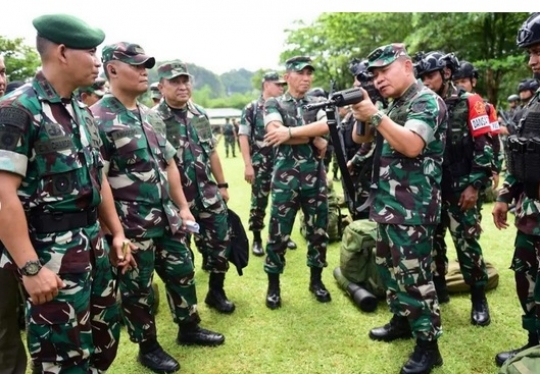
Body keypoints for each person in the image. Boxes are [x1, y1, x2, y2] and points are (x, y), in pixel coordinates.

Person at [266, 43, 447, 374]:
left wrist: (375, 114)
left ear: (407, 66)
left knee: (415, 276)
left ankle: (428, 346)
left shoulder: (426, 101)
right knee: (390, 270)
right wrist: (367, 114)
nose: (378, 80)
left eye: (385, 71)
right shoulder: (394, 104)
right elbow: (362, 140)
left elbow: (411, 144)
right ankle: (401, 321)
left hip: (413, 208)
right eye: (374, 74)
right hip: (389, 204)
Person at [0, 14, 133, 374]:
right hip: (50, 257)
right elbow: (2, 195)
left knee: (102, 343)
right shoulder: (18, 109)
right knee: (61, 359)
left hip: (92, 246)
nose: (96, 61)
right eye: (90, 51)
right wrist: (30, 268)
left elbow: (98, 177)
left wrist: (116, 232)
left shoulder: (80, 111)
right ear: (61, 52)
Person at [93, 43, 225, 374]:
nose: (144, 71)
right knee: (137, 288)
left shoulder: (148, 116)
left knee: (182, 272)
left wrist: (183, 208)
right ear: (112, 70)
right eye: (136, 66)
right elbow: (99, 180)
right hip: (132, 224)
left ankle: (188, 326)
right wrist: (114, 232)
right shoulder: (97, 118)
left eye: (145, 66)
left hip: (167, 217)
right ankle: (148, 346)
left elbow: (169, 164)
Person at [415, 51, 493, 326]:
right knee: (433, 245)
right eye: (422, 77)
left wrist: (474, 186)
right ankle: (440, 290)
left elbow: (486, 148)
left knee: (467, 245)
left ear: (446, 73)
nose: (426, 81)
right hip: (431, 189)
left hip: (462, 189)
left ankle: (479, 298)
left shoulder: (471, 102)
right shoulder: (422, 105)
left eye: (431, 75)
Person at [153, 60, 236, 314]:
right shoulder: (154, 119)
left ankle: (216, 291)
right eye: (175, 82)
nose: (182, 86)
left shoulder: (199, 113)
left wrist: (222, 186)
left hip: (208, 196)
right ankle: (185, 306)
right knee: (181, 255)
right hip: (176, 202)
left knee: (220, 246)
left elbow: (211, 152)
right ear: (161, 86)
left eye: (185, 80)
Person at [262, 56, 331, 309]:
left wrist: (290, 133)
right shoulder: (274, 102)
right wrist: (313, 138)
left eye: (309, 73)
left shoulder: (317, 102)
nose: (306, 78)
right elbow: (273, 133)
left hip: (315, 179)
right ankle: (273, 286)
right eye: (301, 73)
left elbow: (327, 126)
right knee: (278, 233)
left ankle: (316, 281)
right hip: (285, 180)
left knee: (318, 231)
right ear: (287, 75)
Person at [492, 12, 540, 367]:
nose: (532, 60)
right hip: (531, 210)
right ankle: (535, 344)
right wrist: (505, 196)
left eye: (538, 51)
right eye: (530, 52)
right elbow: (525, 149)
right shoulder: (534, 100)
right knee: (527, 276)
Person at [238, 71, 286, 256]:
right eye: (278, 85)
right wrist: (248, 164)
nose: (282, 88)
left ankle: (281, 237)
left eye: (283, 85)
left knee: (283, 202)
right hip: (260, 164)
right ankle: (257, 239)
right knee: (259, 202)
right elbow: (243, 136)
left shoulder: (282, 106)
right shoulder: (252, 108)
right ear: (266, 85)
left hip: (282, 162)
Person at [0, 55, 27, 374]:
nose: (1, 80)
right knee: (5, 327)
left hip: (28, 237)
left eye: (3, 72)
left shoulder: (17, 115)